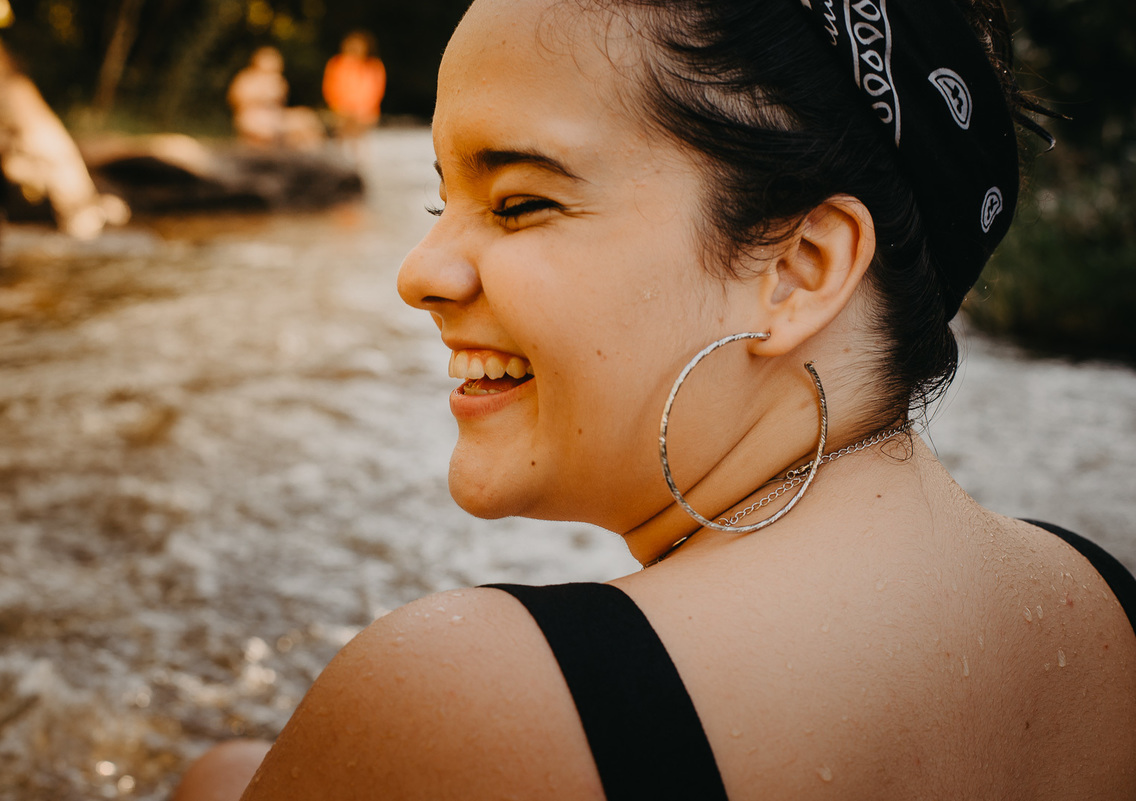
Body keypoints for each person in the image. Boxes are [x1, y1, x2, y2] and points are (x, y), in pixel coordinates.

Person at [177, 0, 1136, 798]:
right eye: (442, 204)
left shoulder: (477, 700)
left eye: (519, 201)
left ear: (802, 269)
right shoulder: (1106, 605)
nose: (419, 274)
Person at [322, 31, 387, 159]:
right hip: (341, 111)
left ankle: (358, 162)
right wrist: (341, 108)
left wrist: (361, 110)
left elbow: (376, 91)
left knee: (359, 140)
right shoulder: (336, 64)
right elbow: (330, 88)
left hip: (364, 113)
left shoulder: (374, 66)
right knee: (341, 137)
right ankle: (340, 161)